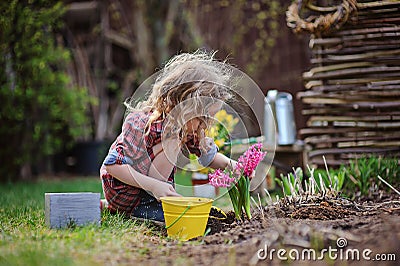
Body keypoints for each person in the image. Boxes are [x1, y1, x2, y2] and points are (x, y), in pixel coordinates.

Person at [100, 50, 237, 222]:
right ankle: (142, 208)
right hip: (124, 189)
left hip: (152, 189)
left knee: (173, 140)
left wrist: (234, 166)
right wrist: (155, 186)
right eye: (203, 118)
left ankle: (122, 206)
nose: (205, 125)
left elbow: (208, 157)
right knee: (171, 142)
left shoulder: (187, 128)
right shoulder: (141, 124)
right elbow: (113, 165)